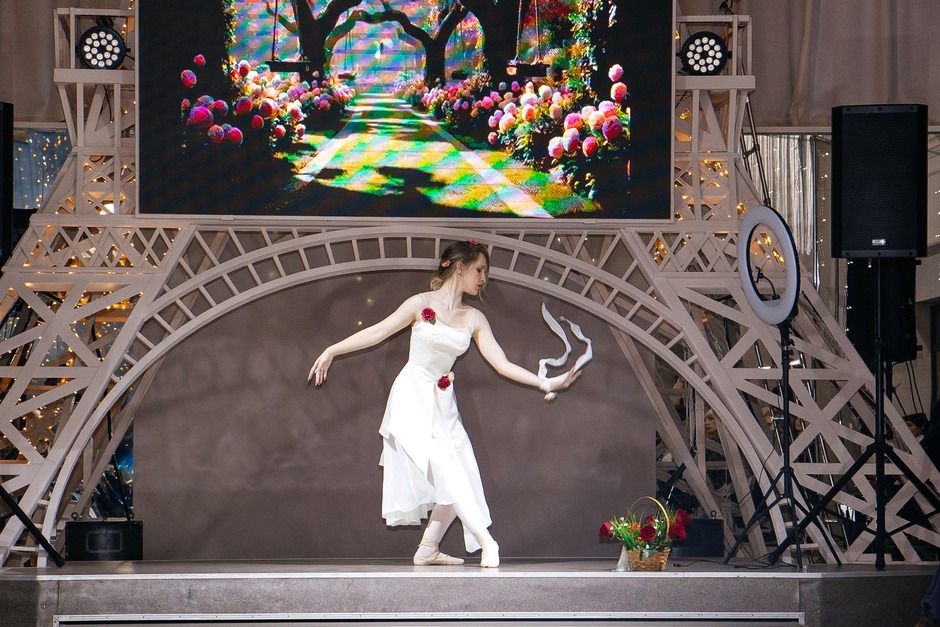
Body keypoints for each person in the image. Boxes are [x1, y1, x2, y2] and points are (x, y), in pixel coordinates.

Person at [308, 240, 580, 568]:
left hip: (443, 403)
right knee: (448, 472)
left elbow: (502, 364)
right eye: (480, 270)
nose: (483, 278)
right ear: (460, 267)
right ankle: (487, 541)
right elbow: (378, 332)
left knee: (461, 472)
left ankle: (428, 548)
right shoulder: (420, 303)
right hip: (412, 396)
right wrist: (332, 350)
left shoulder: (474, 318)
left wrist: (547, 382)